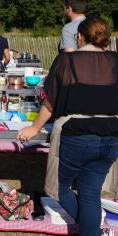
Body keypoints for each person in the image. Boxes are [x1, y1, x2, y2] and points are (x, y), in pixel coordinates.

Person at [17, 17, 118, 236]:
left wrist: (34, 127)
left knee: (61, 189)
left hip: (76, 134)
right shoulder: (115, 60)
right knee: (90, 193)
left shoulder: (67, 61)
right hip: (110, 134)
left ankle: (88, 229)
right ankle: (91, 231)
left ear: (80, 37)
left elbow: (50, 101)